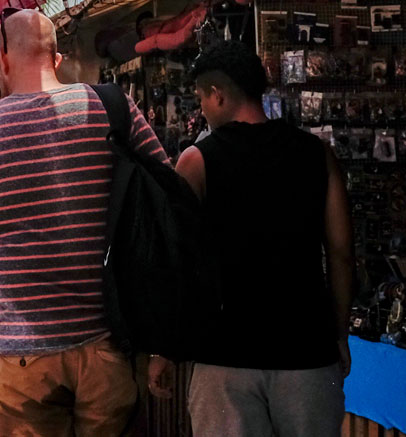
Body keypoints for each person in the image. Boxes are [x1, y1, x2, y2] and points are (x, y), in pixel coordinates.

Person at [0, 9, 169, 437]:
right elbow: (166, 203)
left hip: (22, 356)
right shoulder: (112, 108)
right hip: (108, 344)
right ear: (56, 58)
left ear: (0, 57)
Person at [149, 39, 353, 437]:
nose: (202, 110)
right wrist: (340, 334)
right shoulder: (317, 154)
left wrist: (165, 347)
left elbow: (175, 259)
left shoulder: (197, 160)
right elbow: (342, 253)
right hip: (308, 352)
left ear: (217, 94)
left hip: (225, 356)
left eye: (201, 99)